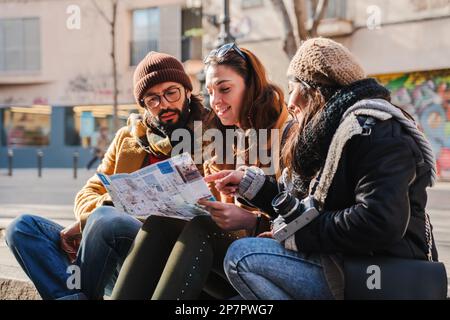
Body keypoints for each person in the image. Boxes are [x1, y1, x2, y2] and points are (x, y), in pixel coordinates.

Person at [205, 38, 439, 300]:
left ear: (315, 91)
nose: (290, 100)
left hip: (374, 273)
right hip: (340, 260)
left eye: (294, 87)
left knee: (242, 256)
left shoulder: (376, 131)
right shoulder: (331, 133)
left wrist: (298, 236)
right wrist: (254, 187)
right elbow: (304, 209)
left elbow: (379, 221)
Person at [5, 51, 211, 300]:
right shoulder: (128, 138)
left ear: (187, 91)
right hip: (110, 259)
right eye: (152, 99)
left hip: (162, 256)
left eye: (171, 92)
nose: (164, 104)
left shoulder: (209, 135)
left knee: (106, 219)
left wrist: (107, 213)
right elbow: (89, 193)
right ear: (143, 104)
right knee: (22, 228)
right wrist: (98, 213)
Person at [111, 43, 289, 300]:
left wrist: (251, 220)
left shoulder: (286, 134)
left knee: (200, 228)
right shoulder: (222, 137)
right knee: (161, 220)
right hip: (230, 252)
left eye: (225, 89)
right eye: (210, 91)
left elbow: (306, 220)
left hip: (272, 259)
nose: (216, 101)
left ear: (251, 84)